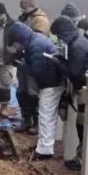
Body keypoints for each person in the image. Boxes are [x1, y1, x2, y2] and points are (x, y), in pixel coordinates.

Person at [7, 22, 63, 161]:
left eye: (15, 43)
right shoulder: (34, 40)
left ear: (19, 39)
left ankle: (44, 151)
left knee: (45, 116)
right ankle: (43, 145)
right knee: (46, 115)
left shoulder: (36, 45)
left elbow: (38, 71)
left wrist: (22, 66)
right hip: (51, 80)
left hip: (50, 83)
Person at [49, 15, 88, 171]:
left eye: (58, 35)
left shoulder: (77, 46)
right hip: (85, 86)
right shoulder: (76, 42)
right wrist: (62, 61)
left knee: (83, 125)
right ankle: (80, 155)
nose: (58, 39)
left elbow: (75, 73)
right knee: (80, 124)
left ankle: (83, 159)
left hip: (87, 88)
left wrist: (58, 64)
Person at [14, 0, 51, 135]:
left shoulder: (40, 20)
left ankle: (36, 122)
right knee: (21, 92)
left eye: (24, 7)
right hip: (22, 60)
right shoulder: (24, 18)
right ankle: (26, 119)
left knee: (33, 93)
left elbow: (37, 40)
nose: (22, 10)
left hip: (34, 60)